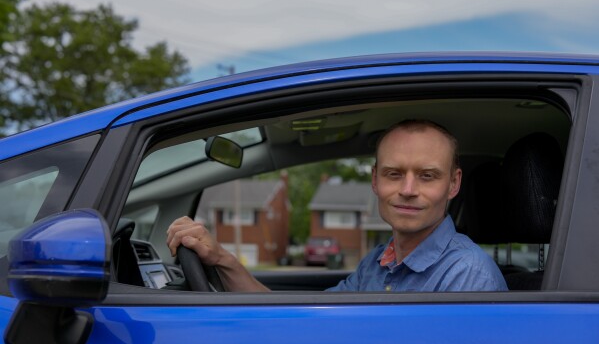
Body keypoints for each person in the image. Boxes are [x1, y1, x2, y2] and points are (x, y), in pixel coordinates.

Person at [166, 119, 508, 292]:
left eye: (427, 176)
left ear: (454, 184)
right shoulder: (377, 263)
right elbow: (308, 318)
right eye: (393, 173)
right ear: (374, 180)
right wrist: (222, 260)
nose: (407, 189)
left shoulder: (467, 275)